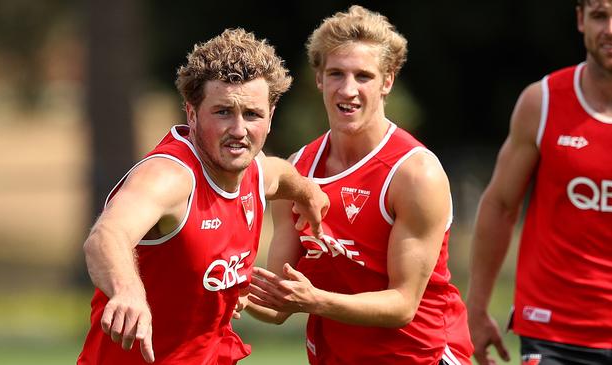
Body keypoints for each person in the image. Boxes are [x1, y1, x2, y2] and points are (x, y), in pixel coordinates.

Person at [76, 28, 329, 365]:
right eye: (223, 112)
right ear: (192, 114)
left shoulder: (255, 170)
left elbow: (279, 175)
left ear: (270, 118)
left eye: (252, 114)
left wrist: (308, 192)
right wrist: (129, 292)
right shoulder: (171, 177)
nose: (238, 130)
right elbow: (107, 236)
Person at [245, 6, 473, 365]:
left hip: (421, 358)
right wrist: (220, 284)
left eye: (363, 76)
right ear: (318, 78)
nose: (348, 89)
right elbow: (276, 306)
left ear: (387, 81)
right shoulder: (296, 171)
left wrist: (315, 300)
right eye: (336, 73)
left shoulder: (414, 173)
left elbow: (402, 304)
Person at [466, 1, 612, 364]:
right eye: (600, 15)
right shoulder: (542, 102)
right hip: (553, 332)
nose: (610, 29)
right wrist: (477, 307)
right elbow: (500, 206)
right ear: (580, 19)